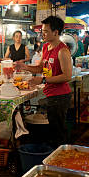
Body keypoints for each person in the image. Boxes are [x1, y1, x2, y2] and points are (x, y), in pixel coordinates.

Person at [18, 16, 72, 145]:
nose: (43, 34)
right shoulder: (46, 47)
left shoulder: (63, 51)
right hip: (49, 94)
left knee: (58, 131)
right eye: (42, 31)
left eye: (46, 31)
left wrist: (42, 80)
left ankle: (60, 158)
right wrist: (24, 66)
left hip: (60, 96)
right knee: (52, 130)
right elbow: (40, 67)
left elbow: (67, 76)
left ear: (56, 32)